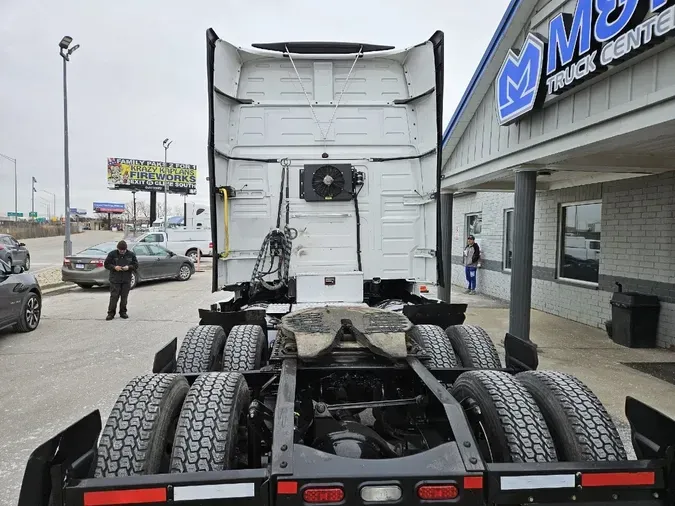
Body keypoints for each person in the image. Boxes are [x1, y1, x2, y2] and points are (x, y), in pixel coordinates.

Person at [104, 240, 139, 320]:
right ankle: (111, 313)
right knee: (114, 297)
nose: (122, 252)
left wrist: (129, 267)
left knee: (124, 297)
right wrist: (114, 267)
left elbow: (136, 265)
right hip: (115, 279)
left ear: (126, 249)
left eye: (123, 250)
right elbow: (106, 264)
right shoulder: (112, 254)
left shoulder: (131, 254)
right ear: (118, 249)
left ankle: (123, 312)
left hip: (126, 279)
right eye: (120, 250)